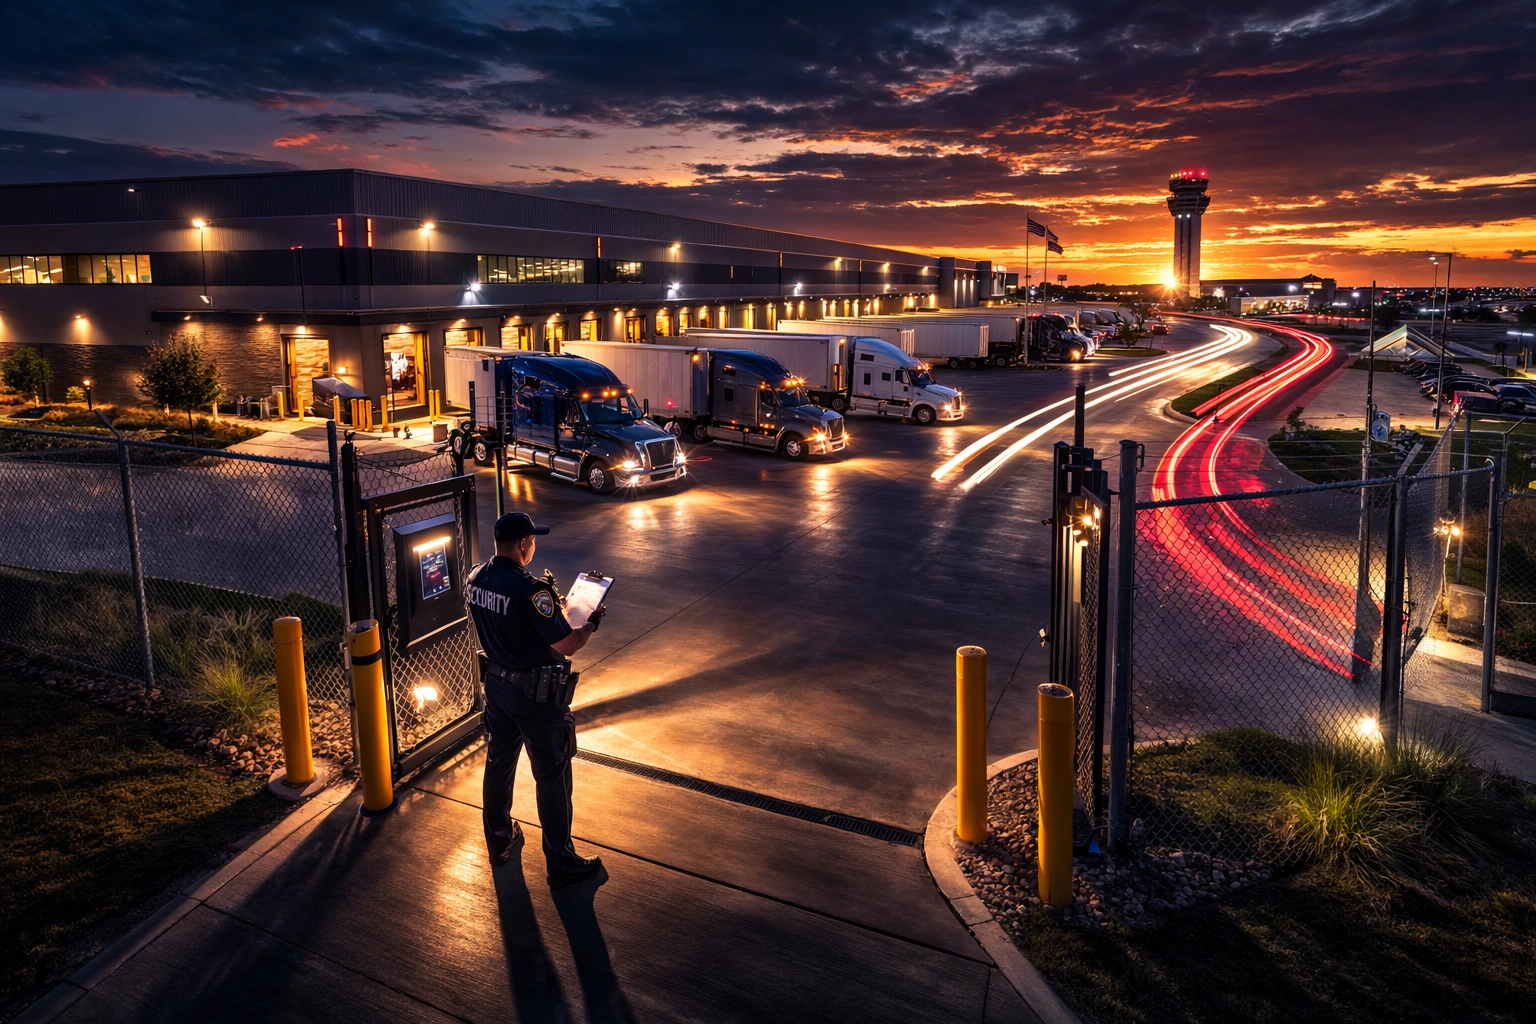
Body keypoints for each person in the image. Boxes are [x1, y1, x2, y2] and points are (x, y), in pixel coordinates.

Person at [468, 511, 605, 889]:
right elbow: (568, 644)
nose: (534, 545)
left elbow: (511, 621)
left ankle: (499, 840)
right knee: (552, 775)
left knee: (499, 764)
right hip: (534, 697)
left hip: (496, 685)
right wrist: (589, 624)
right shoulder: (532, 591)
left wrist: (551, 610)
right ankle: (561, 863)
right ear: (524, 544)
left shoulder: (477, 577)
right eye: (533, 540)